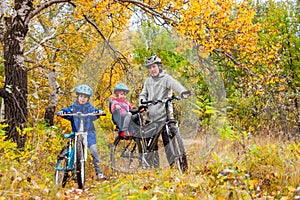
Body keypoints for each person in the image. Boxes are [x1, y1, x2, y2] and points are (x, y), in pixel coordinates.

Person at [139, 55, 191, 168]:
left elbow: (176, 85)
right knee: (152, 145)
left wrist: (183, 92)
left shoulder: (166, 78)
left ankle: (175, 166)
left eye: (154, 66)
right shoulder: (148, 81)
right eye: (150, 68)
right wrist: (142, 102)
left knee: (169, 142)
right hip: (151, 116)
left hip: (166, 115)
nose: (152, 69)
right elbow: (143, 94)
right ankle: (154, 168)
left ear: (159, 66)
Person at [57, 84, 106, 181]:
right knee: (75, 151)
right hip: (76, 134)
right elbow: (65, 111)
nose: (83, 99)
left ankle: (99, 173)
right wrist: (62, 113)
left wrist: (99, 112)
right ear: (78, 97)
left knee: (94, 151)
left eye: (85, 97)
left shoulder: (89, 108)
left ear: (88, 99)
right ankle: (74, 171)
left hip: (89, 134)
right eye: (81, 96)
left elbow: (95, 111)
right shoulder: (73, 108)